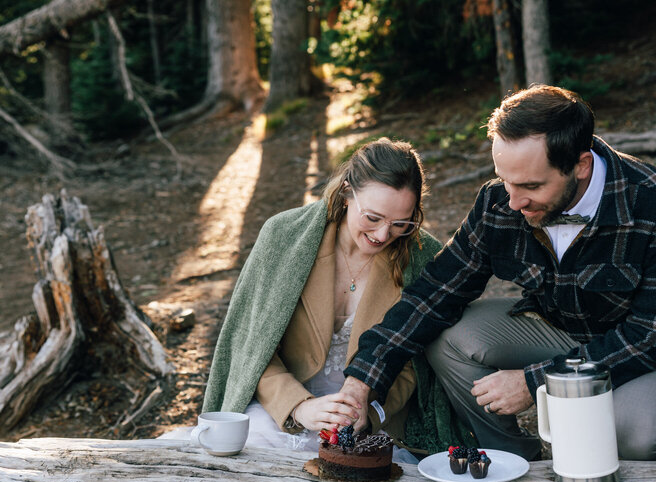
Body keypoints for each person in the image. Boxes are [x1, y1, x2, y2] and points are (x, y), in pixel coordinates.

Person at [339, 85, 656, 461]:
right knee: (449, 338)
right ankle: (514, 461)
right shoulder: (500, 203)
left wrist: (535, 381)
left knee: (630, 437)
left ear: (581, 165)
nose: (513, 200)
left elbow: (654, 335)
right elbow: (434, 293)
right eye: (505, 180)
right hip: (560, 328)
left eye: (530, 186)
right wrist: (363, 380)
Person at [197, 137, 474, 462]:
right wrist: (299, 407)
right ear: (346, 193)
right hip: (281, 412)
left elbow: (416, 366)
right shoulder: (283, 237)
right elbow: (252, 348)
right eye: (372, 217)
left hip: (375, 424)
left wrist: (369, 413)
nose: (383, 235)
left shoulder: (423, 258)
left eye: (401, 223)